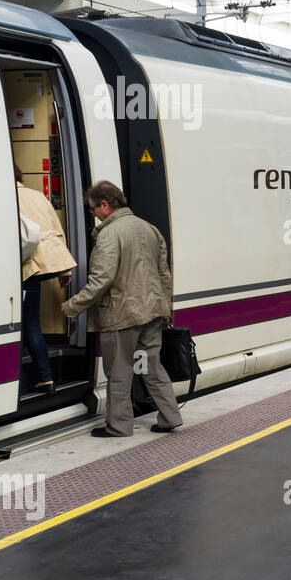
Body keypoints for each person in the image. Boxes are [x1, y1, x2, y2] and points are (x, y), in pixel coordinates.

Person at [62, 181, 182, 437]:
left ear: (105, 205)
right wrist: (165, 306)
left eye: (93, 208)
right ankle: (170, 416)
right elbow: (164, 274)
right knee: (151, 367)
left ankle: (118, 425)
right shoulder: (149, 228)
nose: (93, 213)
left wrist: (73, 306)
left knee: (119, 370)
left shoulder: (109, 233)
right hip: (152, 311)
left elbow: (101, 278)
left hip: (121, 314)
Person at [15, 164, 77, 394]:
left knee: (19, 325)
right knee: (31, 323)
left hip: (22, 266)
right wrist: (65, 270)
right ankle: (46, 379)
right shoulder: (37, 196)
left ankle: (16, 380)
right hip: (44, 264)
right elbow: (56, 229)